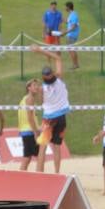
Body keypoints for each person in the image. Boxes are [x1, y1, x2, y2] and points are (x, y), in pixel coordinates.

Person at [30, 45, 70, 173]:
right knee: (57, 147)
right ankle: (57, 173)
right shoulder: (59, 80)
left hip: (49, 118)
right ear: (52, 74)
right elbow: (58, 58)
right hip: (62, 117)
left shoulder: (43, 88)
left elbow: (41, 102)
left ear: (43, 77)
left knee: (43, 146)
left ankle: (39, 173)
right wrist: (41, 50)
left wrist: (39, 92)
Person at [18, 78, 42, 170]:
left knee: (28, 156)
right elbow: (30, 118)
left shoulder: (24, 98)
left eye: (37, 85)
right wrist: (36, 133)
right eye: (34, 85)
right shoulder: (30, 99)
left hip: (26, 130)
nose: (37, 87)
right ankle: (37, 176)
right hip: (29, 131)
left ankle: (21, 176)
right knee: (33, 156)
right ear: (29, 88)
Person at [62, 0, 80, 69]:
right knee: (72, 50)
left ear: (68, 7)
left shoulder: (74, 15)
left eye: (65, 7)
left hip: (72, 35)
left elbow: (73, 27)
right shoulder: (71, 15)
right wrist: (63, 19)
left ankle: (75, 65)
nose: (64, 8)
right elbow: (68, 22)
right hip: (71, 35)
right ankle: (76, 64)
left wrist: (65, 32)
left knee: (71, 50)